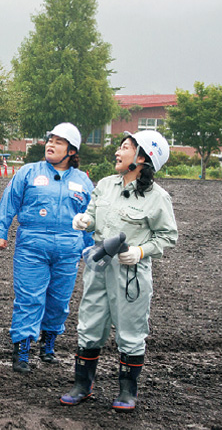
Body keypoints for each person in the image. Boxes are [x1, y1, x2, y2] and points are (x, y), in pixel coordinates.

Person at [60, 131, 177, 412]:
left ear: (141, 157)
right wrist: (85, 220)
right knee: (90, 322)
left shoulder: (157, 197)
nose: (117, 152)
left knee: (131, 329)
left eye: (125, 148)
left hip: (130, 272)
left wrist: (139, 252)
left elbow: (168, 236)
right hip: (99, 263)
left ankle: (127, 392)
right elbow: (93, 214)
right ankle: (82, 386)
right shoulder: (105, 185)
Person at [0, 122, 94, 373]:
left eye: (59, 142)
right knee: (29, 298)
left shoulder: (83, 181)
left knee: (59, 301)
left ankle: (48, 344)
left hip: (69, 248)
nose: (51, 145)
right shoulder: (28, 172)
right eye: (50, 140)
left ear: (72, 150)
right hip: (32, 246)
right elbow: (9, 202)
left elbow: (93, 217)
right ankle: (23, 348)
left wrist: (92, 249)